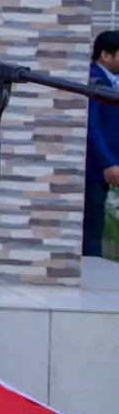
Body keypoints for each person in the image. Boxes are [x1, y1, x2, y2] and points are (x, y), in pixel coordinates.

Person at [84, 30, 119, 257]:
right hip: (95, 170)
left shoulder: (111, 81)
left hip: (105, 170)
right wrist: (108, 163)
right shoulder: (95, 81)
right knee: (91, 233)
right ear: (106, 55)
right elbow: (92, 126)